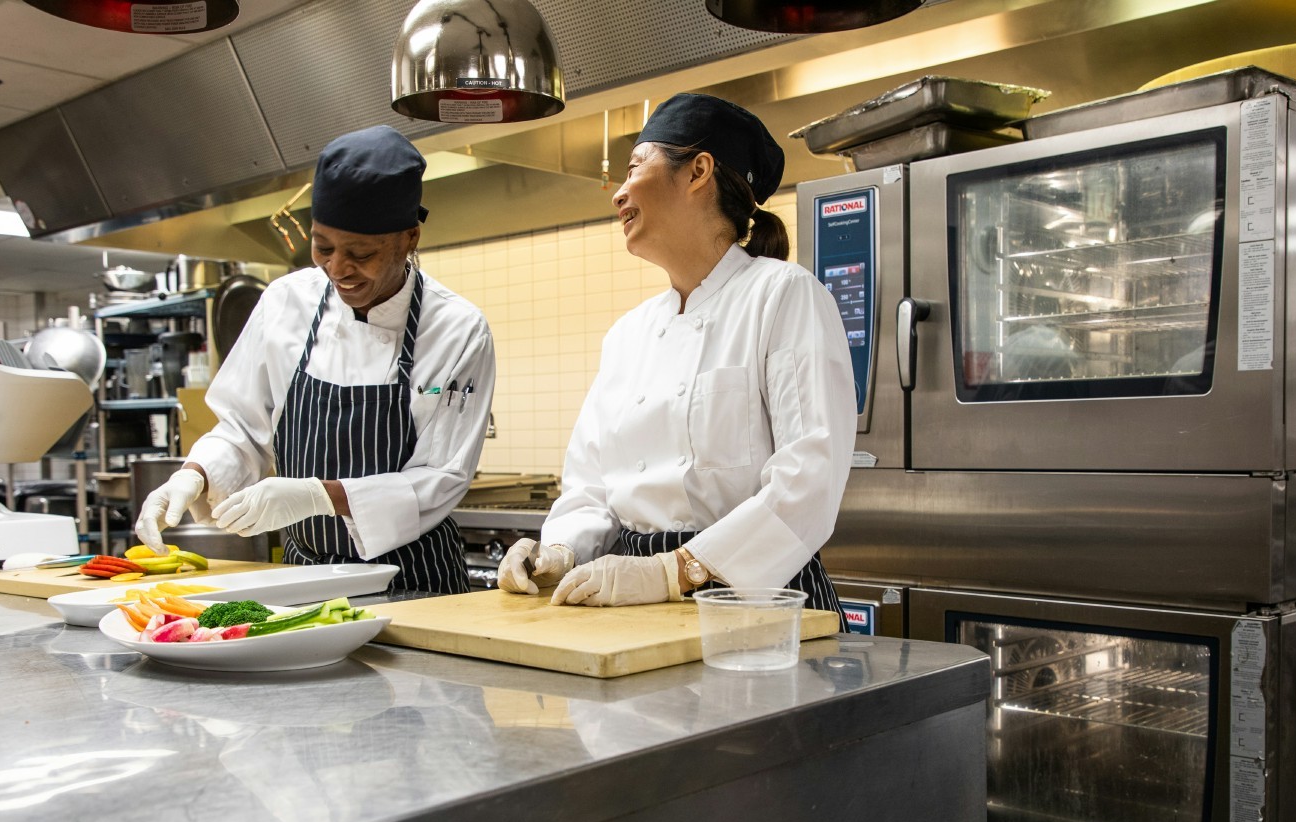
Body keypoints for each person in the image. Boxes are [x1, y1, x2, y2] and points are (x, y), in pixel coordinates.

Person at [496, 93, 853, 622]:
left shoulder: (782, 295)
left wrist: (676, 571)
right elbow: (591, 485)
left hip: (750, 593)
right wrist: (560, 552)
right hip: (633, 596)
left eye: (635, 167)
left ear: (698, 171)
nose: (618, 193)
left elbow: (809, 481)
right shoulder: (628, 333)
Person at [136, 125, 494, 594]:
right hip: (303, 577)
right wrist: (194, 475)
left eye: (360, 253)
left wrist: (317, 496)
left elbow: (442, 475)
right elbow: (242, 428)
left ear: (409, 238)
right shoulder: (286, 301)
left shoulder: (457, 328)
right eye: (323, 247)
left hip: (417, 580)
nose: (338, 269)